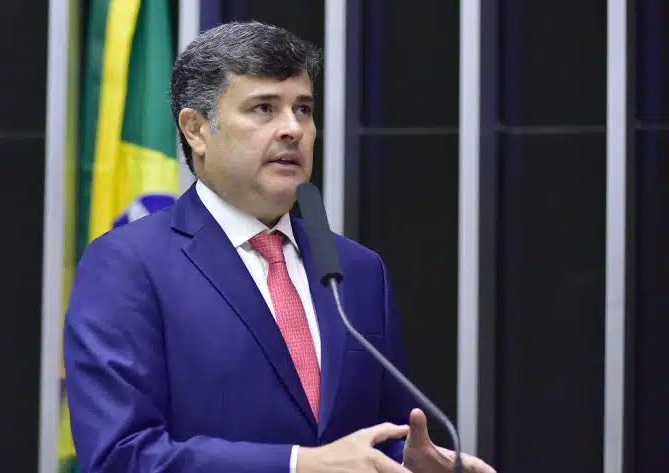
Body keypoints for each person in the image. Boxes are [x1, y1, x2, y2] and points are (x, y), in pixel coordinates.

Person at [64, 20, 495, 473]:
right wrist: (296, 464)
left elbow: (376, 439)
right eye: (263, 108)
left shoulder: (358, 271)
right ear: (195, 130)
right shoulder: (128, 265)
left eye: (304, 109)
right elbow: (121, 456)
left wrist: (406, 464)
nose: (293, 129)